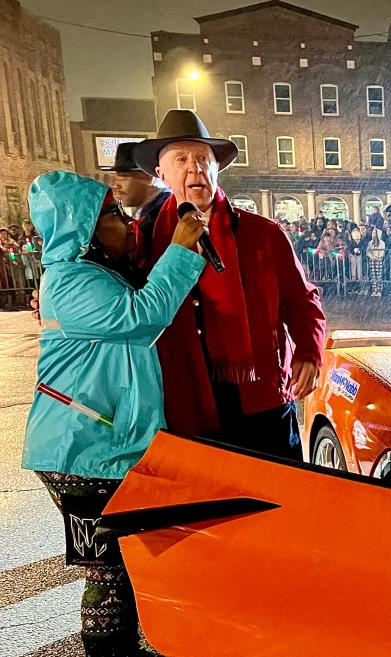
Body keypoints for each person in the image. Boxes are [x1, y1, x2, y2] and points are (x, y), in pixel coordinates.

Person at [22, 171, 208, 657]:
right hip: (77, 452)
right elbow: (142, 318)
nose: (125, 222)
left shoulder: (90, 273)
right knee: (105, 572)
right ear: (82, 229)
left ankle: (127, 654)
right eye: (110, 216)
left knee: (122, 564)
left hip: (101, 444)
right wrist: (179, 251)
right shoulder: (72, 280)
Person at [131, 110, 326, 460]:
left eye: (204, 159)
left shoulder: (263, 234)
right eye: (181, 159)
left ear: (216, 168)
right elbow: (110, 303)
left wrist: (310, 352)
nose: (195, 168)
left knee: (277, 503)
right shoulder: (143, 242)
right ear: (162, 174)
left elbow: (303, 301)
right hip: (185, 403)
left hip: (260, 399)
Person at [106, 141, 170, 225]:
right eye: (114, 178)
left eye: (123, 177)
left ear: (147, 177)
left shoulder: (165, 213)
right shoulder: (143, 213)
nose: (114, 185)